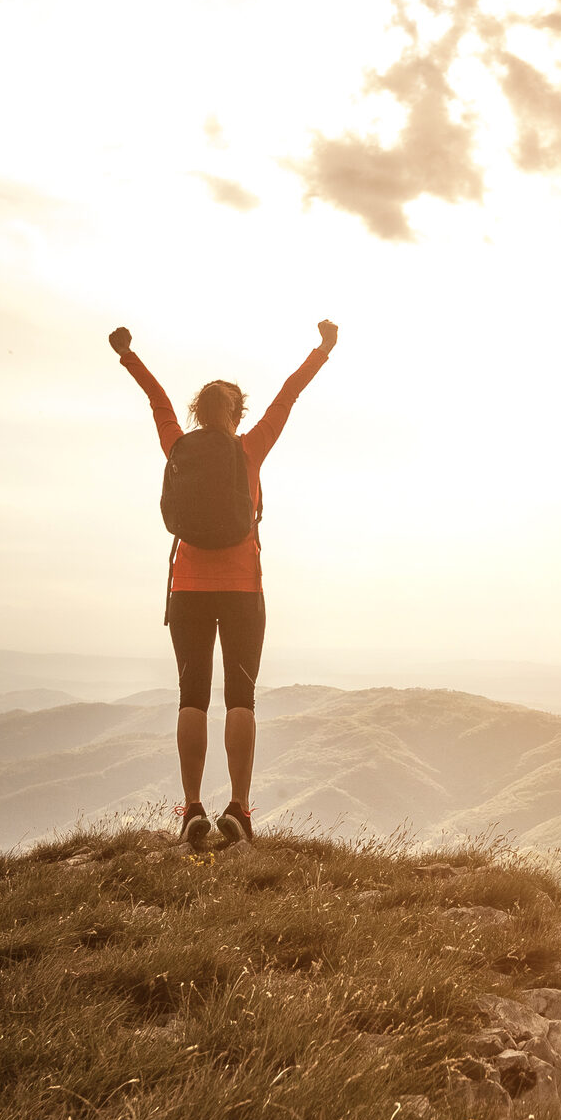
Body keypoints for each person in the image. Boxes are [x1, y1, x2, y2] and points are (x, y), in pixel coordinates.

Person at [108, 318, 338, 845]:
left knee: (192, 697)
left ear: (196, 413)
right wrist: (322, 349)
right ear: (236, 415)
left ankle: (191, 809)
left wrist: (128, 354)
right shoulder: (250, 449)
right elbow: (288, 395)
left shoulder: (178, 446)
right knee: (241, 698)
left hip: (187, 587)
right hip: (242, 591)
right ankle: (238, 809)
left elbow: (157, 401)